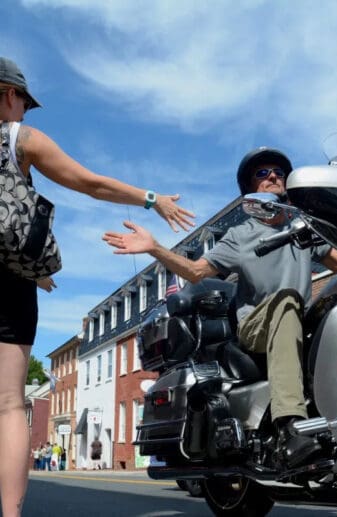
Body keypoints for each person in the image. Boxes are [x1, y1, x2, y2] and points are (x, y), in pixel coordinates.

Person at [0, 56, 195, 517]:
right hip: (7, 284)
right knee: (10, 404)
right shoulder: (16, 138)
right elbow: (90, 183)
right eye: (24, 103)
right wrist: (152, 199)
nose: (24, 112)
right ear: (9, 94)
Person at [103, 146, 337, 469]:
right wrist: (154, 248)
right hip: (255, 325)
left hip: (297, 320)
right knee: (287, 300)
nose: (273, 176)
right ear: (251, 189)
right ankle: (289, 428)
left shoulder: (303, 228)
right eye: (262, 173)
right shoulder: (240, 235)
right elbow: (196, 272)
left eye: (279, 171)